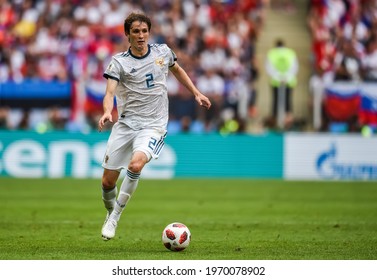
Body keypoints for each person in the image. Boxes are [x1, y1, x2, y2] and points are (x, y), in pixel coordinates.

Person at [98, 12, 211, 241]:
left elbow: (177, 70)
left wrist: (196, 93)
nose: (141, 36)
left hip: (154, 125)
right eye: (136, 31)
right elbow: (110, 92)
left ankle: (115, 216)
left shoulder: (162, 52)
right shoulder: (119, 62)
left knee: (136, 164)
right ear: (128, 34)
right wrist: (107, 111)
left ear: (149, 32)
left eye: (144, 31)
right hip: (127, 124)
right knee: (107, 181)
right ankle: (110, 210)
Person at [265, 38, 298, 129]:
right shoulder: (290, 53)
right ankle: (287, 124)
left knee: (276, 103)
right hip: (289, 81)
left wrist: (278, 76)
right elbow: (294, 67)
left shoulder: (272, 53)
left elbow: (269, 67)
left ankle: (276, 123)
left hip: (276, 81)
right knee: (288, 103)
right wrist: (286, 77)